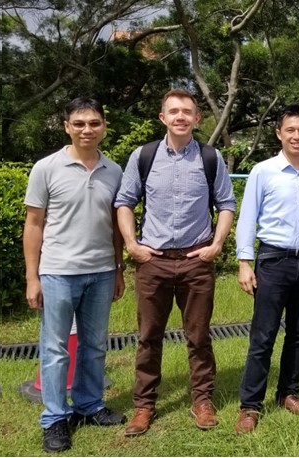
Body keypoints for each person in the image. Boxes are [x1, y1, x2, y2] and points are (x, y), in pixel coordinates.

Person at [115, 89, 235, 436]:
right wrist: (131, 245)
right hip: (152, 262)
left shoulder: (210, 157)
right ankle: (144, 405)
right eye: (174, 111)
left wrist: (217, 244)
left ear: (197, 119)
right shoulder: (144, 156)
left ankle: (201, 400)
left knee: (198, 336)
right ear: (162, 117)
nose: (180, 116)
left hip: (197, 262)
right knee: (149, 336)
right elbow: (124, 201)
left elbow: (226, 203)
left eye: (187, 111)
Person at [23, 97, 126, 453]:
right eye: (79, 123)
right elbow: (34, 224)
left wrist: (118, 269)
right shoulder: (46, 168)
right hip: (57, 273)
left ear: (104, 126)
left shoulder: (114, 171)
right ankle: (54, 418)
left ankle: (89, 405)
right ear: (67, 126)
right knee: (54, 350)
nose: (87, 129)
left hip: (100, 272)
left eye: (94, 123)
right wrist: (32, 277)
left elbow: (117, 227)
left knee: (95, 346)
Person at [234, 104, 299, 434]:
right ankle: (250, 405)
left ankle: (288, 392)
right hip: (273, 261)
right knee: (263, 335)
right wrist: (245, 262)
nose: (297, 136)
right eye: (290, 130)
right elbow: (248, 217)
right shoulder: (263, 171)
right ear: (279, 133)